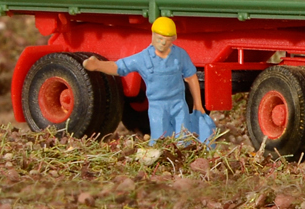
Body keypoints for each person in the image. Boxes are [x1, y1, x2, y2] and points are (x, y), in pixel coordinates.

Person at [83, 16, 215, 145]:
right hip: (157, 106)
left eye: (167, 39)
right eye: (160, 38)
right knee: (160, 139)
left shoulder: (180, 55)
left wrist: (198, 104)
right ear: (153, 36)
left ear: (174, 39)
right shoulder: (143, 58)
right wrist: (98, 65)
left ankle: (184, 155)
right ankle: (162, 157)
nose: (163, 42)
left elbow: (191, 77)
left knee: (184, 137)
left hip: (179, 104)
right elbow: (119, 67)